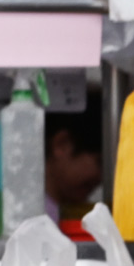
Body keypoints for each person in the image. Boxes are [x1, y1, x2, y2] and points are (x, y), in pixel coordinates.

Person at [43, 90, 103, 224]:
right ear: (62, 145)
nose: (101, 178)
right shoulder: (38, 218)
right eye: (99, 163)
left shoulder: (60, 214)